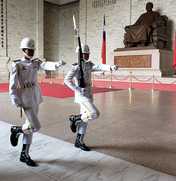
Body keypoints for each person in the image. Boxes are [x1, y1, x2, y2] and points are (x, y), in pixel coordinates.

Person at [9, 37, 66, 166]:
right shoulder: (17, 65)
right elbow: (12, 85)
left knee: (30, 127)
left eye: (33, 50)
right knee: (35, 126)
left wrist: (56, 64)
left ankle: (24, 154)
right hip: (25, 98)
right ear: (24, 50)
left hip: (35, 96)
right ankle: (17, 130)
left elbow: (45, 65)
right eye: (30, 50)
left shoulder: (36, 63)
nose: (32, 52)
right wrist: (15, 99)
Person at [64, 44, 118, 151]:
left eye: (88, 53)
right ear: (80, 54)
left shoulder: (88, 65)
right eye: (85, 53)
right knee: (94, 113)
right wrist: (78, 89)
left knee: (85, 119)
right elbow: (66, 80)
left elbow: (98, 67)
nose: (87, 55)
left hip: (89, 93)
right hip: (81, 95)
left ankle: (79, 140)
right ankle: (75, 118)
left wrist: (110, 67)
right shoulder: (76, 67)